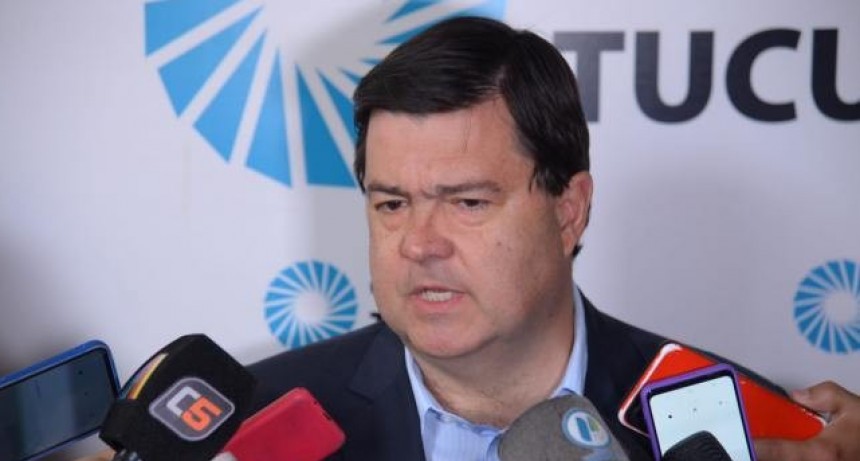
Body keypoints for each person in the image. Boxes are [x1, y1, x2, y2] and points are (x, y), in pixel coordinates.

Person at [78, 16, 859, 461]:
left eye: (467, 202)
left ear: (569, 210)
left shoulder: (735, 429)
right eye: (391, 203)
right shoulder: (250, 430)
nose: (419, 243)